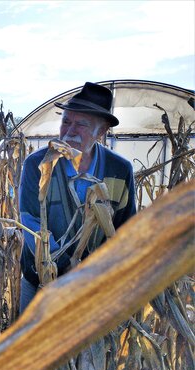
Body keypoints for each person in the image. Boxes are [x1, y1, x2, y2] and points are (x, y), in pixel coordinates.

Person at [19, 82, 136, 311]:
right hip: (41, 283)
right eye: (66, 121)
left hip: (94, 288)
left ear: (101, 132)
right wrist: (60, 267)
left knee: (88, 346)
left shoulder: (119, 170)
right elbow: (30, 221)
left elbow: (126, 228)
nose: (70, 131)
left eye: (81, 124)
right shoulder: (38, 164)